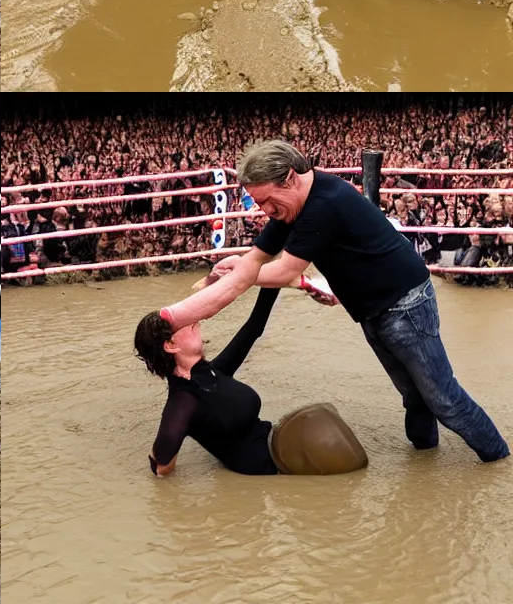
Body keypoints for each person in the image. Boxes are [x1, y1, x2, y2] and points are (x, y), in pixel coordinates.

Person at [205, 140, 508, 463]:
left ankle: (499, 460)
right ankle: (424, 457)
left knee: (443, 397)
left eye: (265, 200)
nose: (263, 210)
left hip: (404, 304)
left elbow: (283, 271)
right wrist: (239, 265)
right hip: (374, 307)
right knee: (414, 395)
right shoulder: (296, 202)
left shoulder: (322, 205)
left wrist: (238, 276)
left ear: (289, 178)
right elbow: (260, 257)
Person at [135, 281, 367, 476]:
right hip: (274, 468)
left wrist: (275, 277)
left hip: (281, 444)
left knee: (323, 418)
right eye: (183, 322)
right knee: (324, 428)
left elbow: (254, 327)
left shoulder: (212, 371)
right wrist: (160, 455)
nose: (195, 320)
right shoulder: (183, 402)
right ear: (170, 345)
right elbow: (161, 467)